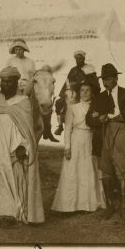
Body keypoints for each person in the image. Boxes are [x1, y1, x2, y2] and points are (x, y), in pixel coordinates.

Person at [0, 66, 45, 225]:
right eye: (2, 81)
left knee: (15, 182)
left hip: (13, 150)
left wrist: (23, 147)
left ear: (16, 82)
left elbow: (28, 130)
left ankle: (15, 214)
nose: (4, 84)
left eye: (8, 81)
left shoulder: (23, 102)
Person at [86, 63, 125, 220]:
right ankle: (109, 206)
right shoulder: (99, 98)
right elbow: (89, 119)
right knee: (106, 168)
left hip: (122, 130)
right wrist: (99, 118)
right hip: (104, 132)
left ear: (116, 78)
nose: (105, 83)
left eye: (109, 79)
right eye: (103, 80)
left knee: (123, 167)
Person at [51, 80, 105, 213]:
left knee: (89, 169)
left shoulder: (95, 107)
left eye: (88, 90)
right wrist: (67, 147)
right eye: (82, 90)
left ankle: (89, 204)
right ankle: (71, 205)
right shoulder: (73, 108)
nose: (85, 93)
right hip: (76, 141)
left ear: (92, 93)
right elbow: (68, 128)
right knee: (74, 171)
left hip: (90, 140)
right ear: (79, 93)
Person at [6, 38, 58, 142]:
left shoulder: (30, 61)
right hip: (15, 84)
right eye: (16, 49)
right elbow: (7, 74)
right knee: (9, 103)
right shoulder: (10, 61)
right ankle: (8, 126)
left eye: (20, 49)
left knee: (42, 101)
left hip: (28, 83)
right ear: (14, 50)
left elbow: (33, 76)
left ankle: (46, 129)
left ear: (24, 50)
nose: (18, 51)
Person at [54, 50, 97, 136]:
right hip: (73, 92)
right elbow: (67, 81)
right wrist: (63, 93)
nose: (78, 61)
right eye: (77, 59)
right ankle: (60, 125)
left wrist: (82, 83)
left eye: (80, 59)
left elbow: (93, 81)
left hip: (86, 92)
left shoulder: (89, 68)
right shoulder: (73, 70)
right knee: (59, 103)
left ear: (84, 58)